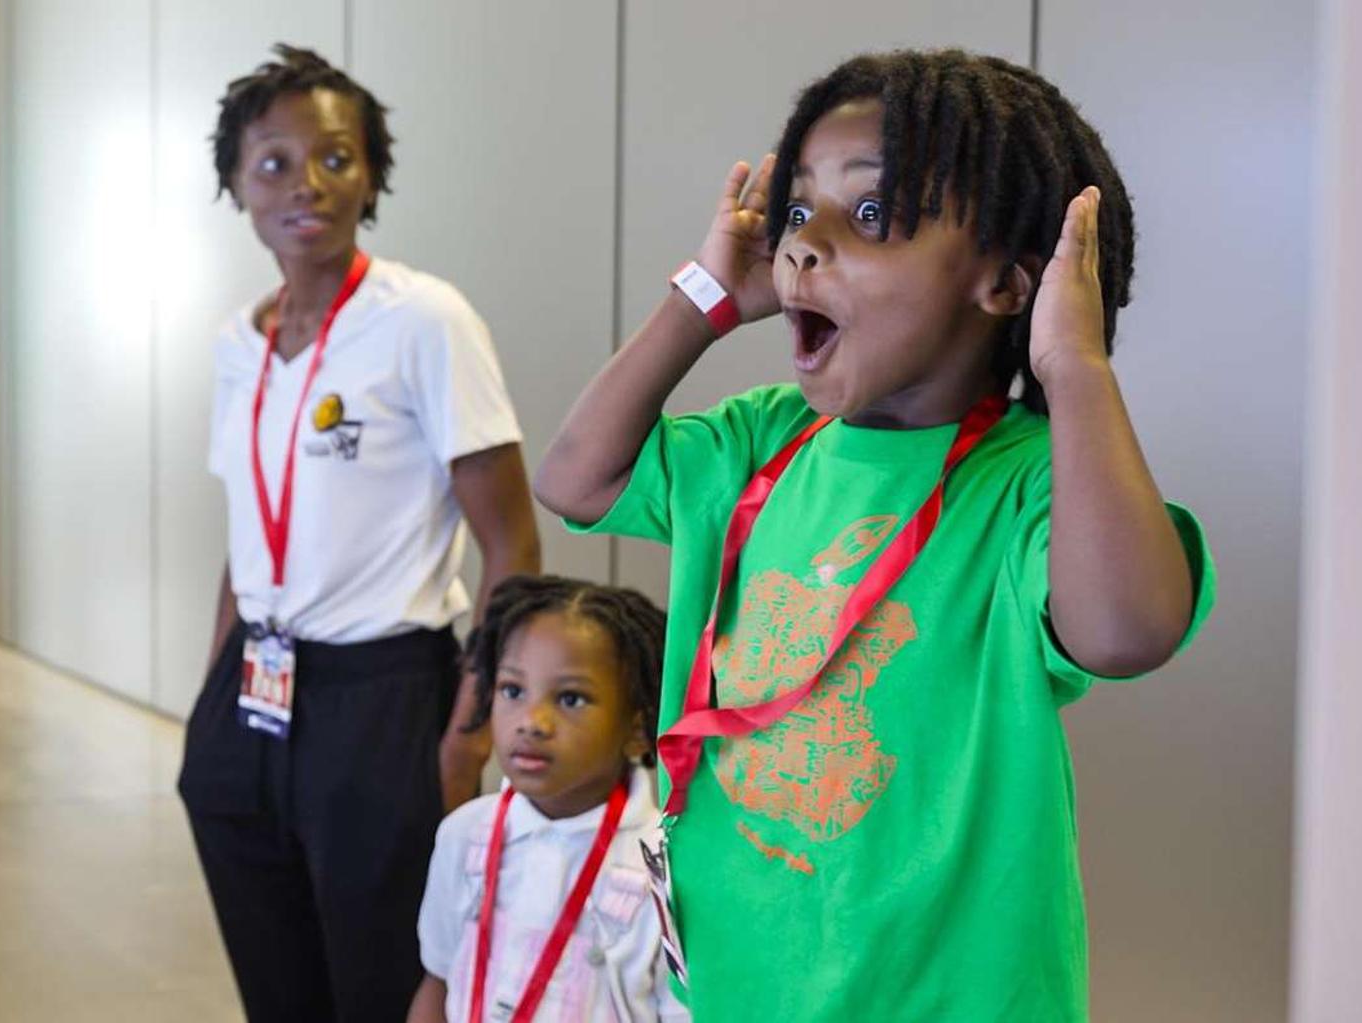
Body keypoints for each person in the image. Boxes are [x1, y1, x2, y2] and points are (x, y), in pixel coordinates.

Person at [533, 49, 1217, 1020]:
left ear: (1002, 284)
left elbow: (1124, 632)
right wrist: (702, 297)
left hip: (954, 998)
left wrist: (1073, 368)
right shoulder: (763, 440)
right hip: (734, 982)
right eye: (796, 209)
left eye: (865, 216)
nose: (803, 244)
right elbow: (575, 479)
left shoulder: (1029, 481)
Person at [176, 44, 542, 1022]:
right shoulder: (235, 341)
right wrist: (212, 694)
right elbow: (247, 528)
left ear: (370, 173)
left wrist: (466, 741)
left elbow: (511, 542)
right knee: (276, 985)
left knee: (382, 987)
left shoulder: (423, 319)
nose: (307, 183)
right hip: (251, 693)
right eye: (273, 162)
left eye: (335, 157)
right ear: (235, 183)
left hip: (379, 698)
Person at [408, 576, 685, 1023]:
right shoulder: (463, 835)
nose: (532, 722)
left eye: (571, 699)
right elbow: (437, 982)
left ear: (636, 728)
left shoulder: (666, 868)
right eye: (513, 691)